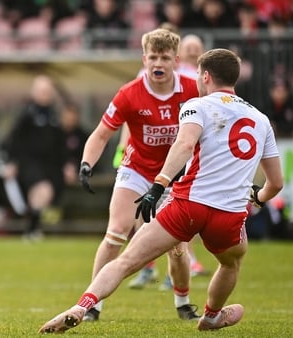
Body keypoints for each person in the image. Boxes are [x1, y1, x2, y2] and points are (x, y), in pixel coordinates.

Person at [38, 47, 283, 334]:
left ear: (205, 76)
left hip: (188, 204)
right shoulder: (261, 120)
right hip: (229, 213)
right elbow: (275, 183)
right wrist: (258, 196)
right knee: (230, 264)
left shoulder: (197, 105)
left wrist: (158, 186)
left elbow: (184, 145)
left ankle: (83, 306)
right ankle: (212, 315)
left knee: (127, 259)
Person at [75, 28, 201, 322]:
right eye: (153, 57)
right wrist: (86, 163)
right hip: (137, 171)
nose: (158, 63)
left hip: (173, 177)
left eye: (165, 57)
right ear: (145, 59)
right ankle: (92, 305)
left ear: (175, 60)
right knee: (115, 233)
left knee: (177, 247)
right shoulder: (129, 93)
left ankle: (183, 303)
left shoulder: (193, 90)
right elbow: (101, 134)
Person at [129, 32, 210, 290]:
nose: (193, 52)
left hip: (182, 163)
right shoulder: (143, 82)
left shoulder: (197, 81)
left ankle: (177, 276)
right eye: (190, 48)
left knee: (180, 223)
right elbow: (129, 119)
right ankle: (150, 269)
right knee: (141, 216)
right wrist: (122, 150)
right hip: (146, 164)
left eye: (197, 48)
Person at [0, 75, 67, 241]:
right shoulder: (26, 114)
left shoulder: (55, 116)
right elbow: (13, 139)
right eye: (41, 91)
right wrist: (11, 161)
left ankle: (32, 229)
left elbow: (61, 143)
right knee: (42, 190)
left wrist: (68, 164)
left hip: (51, 165)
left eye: (47, 91)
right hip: (29, 163)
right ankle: (32, 229)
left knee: (42, 195)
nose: (45, 94)